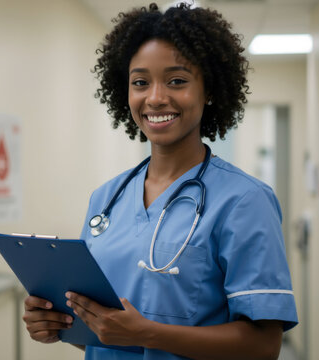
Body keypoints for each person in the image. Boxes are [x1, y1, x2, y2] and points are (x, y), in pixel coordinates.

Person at [21, 3, 298, 359]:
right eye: (140, 82)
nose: (155, 98)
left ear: (208, 90)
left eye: (177, 81)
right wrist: (58, 325)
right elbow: (107, 334)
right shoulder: (106, 198)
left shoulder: (244, 200)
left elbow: (264, 346)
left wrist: (151, 334)